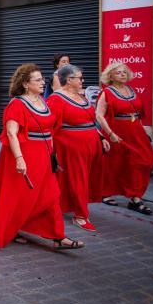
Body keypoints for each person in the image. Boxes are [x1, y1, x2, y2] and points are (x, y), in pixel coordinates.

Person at [0, 64, 84, 250]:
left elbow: (50, 131)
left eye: (42, 78)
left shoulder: (42, 102)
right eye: (37, 80)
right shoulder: (17, 104)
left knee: (51, 195)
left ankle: (58, 237)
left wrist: (53, 157)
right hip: (24, 155)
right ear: (25, 84)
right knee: (17, 198)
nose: (42, 82)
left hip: (44, 157)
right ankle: (4, 228)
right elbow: (12, 133)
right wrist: (20, 159)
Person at [48, 64, 109, 232]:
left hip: (90, 144)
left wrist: (101, 136)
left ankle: (65, 206)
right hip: (71, 148)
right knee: (78, 179)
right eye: (80, 78)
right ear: (69, 80)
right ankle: (80, 215)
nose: (83, 81)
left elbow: (90, 119)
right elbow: (50, 127)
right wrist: (53, 153)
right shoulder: (56, 99)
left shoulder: (81, 96)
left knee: (85, 179)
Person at [96, 62, 153, 215]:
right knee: (116, 164)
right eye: (118, 72)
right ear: (110, 76)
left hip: (135, 131)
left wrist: (144, 129)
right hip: (116, 130)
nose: (122, 74)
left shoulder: (131, 90)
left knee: (145, 159)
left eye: (124, 72)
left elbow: (137, 113)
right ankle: (111, 193)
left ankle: (135, 195)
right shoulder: (107, 92)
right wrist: (110, 133)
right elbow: (99, 115)